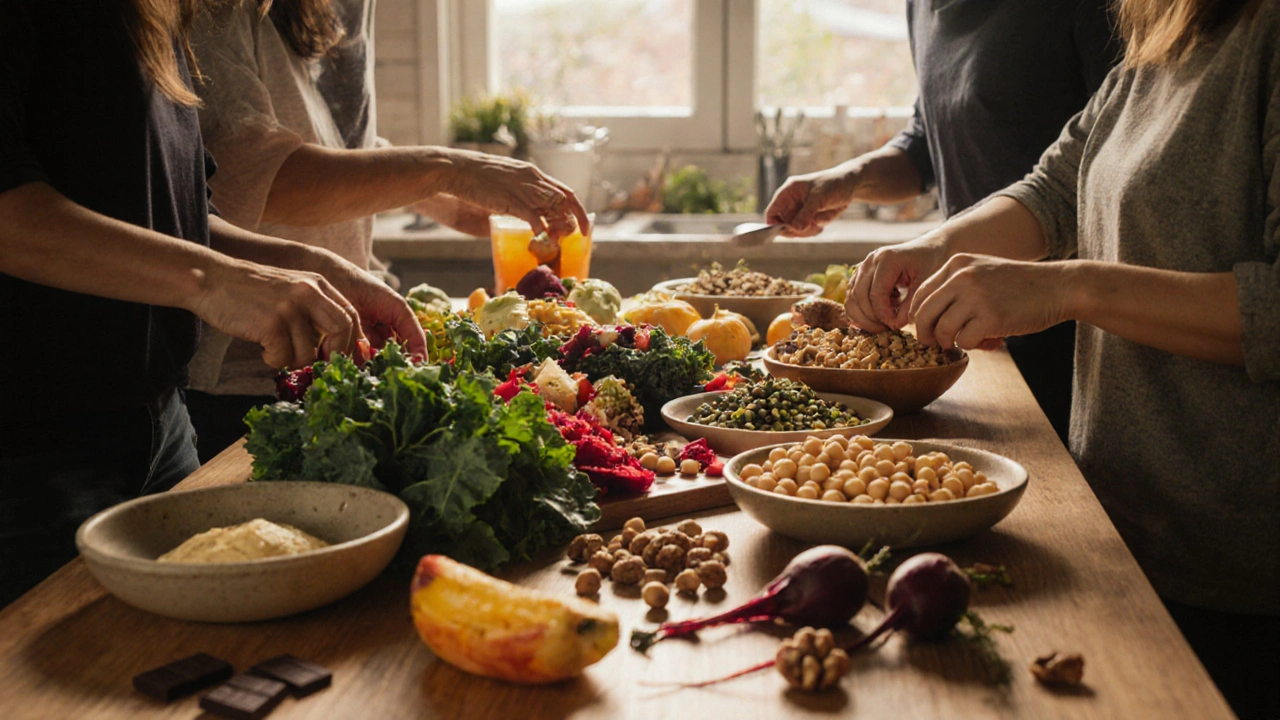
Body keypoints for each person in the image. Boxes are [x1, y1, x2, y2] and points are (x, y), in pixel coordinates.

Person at [846, 0, 1279, 716]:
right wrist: (930, 249)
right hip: (1119, 521)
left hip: (1235, 563)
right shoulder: (1165, 34)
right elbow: (1052, 193)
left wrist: (1068, 288)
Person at [0, 0, 426, 607]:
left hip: (163, 430)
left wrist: (310, 266)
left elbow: (185, 214)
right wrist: (213, 281)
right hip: (34, 459)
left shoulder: (155, 12)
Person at [183, 0, 590, 463]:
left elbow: (340, 143)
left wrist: (446, 199)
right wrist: (447, 170)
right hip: (246, 379)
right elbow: (246, 176)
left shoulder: (343, 10)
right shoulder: (216, 11)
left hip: (342, 352)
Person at [766, 1, 1120, 444]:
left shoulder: (1088, 10)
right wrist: (850, 181)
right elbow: (927, 141)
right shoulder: (923, 8)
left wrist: (1060, 288)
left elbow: (1103, 160)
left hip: (1071, 330)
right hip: (969, 314)